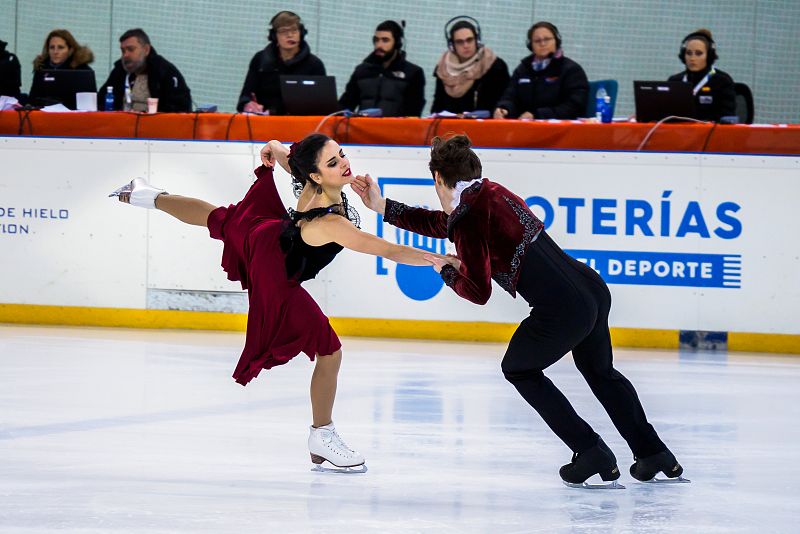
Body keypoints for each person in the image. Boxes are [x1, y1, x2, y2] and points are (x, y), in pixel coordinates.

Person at [352, 134, 687, 488]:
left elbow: (477, 292)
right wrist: (383, 206)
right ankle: (653, 452)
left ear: (437, 178)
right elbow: (447, 224)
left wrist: (447, 271)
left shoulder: (467, 216)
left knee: (518, 368)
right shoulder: (491, 192)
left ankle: (590, 451)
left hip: (562, 308)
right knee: (600, 372)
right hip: (590, 288)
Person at [110, 133, 444, 472]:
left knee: (219, 219)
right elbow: (386, 249)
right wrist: (438, 260)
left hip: (267, 234)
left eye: (341, 155)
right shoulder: (329, 222)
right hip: (276, 273)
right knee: (330, 350)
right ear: (315, 176)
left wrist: (274, 146)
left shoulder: (310, 178)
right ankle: (321, 436)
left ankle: (143, 194)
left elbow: (288, 158)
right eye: (333, 162)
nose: (344, 163)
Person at [494, 21, 588, 120]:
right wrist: (504, 109)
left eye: (547, 39)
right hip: (525, 127)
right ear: (531, 46)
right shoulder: (523, 70)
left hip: (560, 129)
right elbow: (510, 96)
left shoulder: (571, 70)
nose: (542, 44)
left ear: (556, 41)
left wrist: (538, 115)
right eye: (537, 41)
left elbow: (575, 106)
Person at [237, 11, 326, 114]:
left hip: (300, 123)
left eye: (294, 30)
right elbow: (245, 96)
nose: (290, 35)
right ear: (274, 36)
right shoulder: (260, 59)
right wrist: (247, 104)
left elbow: (323, 105)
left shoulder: (314, 64)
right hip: (264, 121)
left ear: (301, 33)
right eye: (284, 31)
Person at [339, 20, 425, 117]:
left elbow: (414, 113)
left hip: (395, 130)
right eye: (376, 40)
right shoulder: (362, 71)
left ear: (397, 43)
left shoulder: (413, 73)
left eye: (385, 40)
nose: (379, 45)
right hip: (362, 128)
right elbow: (345, 105)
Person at [99, 28, 192, 112]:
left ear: (146, 49)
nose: (125, 55)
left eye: (131, 49)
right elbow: (101, 101)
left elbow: (180, 109)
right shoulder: (119, 71)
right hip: (120, 126)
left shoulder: (165, 72)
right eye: (123, 51)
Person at [431, 16, 509, 115]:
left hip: (484, 125)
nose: (466, 45)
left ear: (477, 40)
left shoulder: (494, 66)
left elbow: (503, 101)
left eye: (470, 40)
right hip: (450, 127)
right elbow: (438, 104)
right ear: (452, 45)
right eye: (459, 42)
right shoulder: (443, 68)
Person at [668, 29, 736, 122]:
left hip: (711, 134)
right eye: (689, 53)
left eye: (698, 53)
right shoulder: (675, 81)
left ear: (709, 56)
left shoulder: (722, 81)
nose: (692, 58)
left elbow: (728, 120)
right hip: (680, 133)